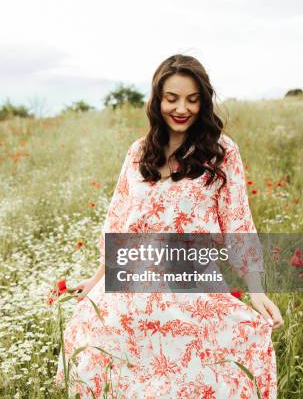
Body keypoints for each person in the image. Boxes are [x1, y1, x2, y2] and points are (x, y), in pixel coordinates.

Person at [55, 54, 283, 398]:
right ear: (157, 100)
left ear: (203, 102)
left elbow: (238, 221)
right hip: (132, 286)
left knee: (194, 375)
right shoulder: (138, 152)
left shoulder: (222, 152)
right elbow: (119, 219)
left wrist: (256, 288)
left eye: (192, 100)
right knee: (113, 365)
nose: (182, 108)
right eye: (172, 98)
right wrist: (98, 276)